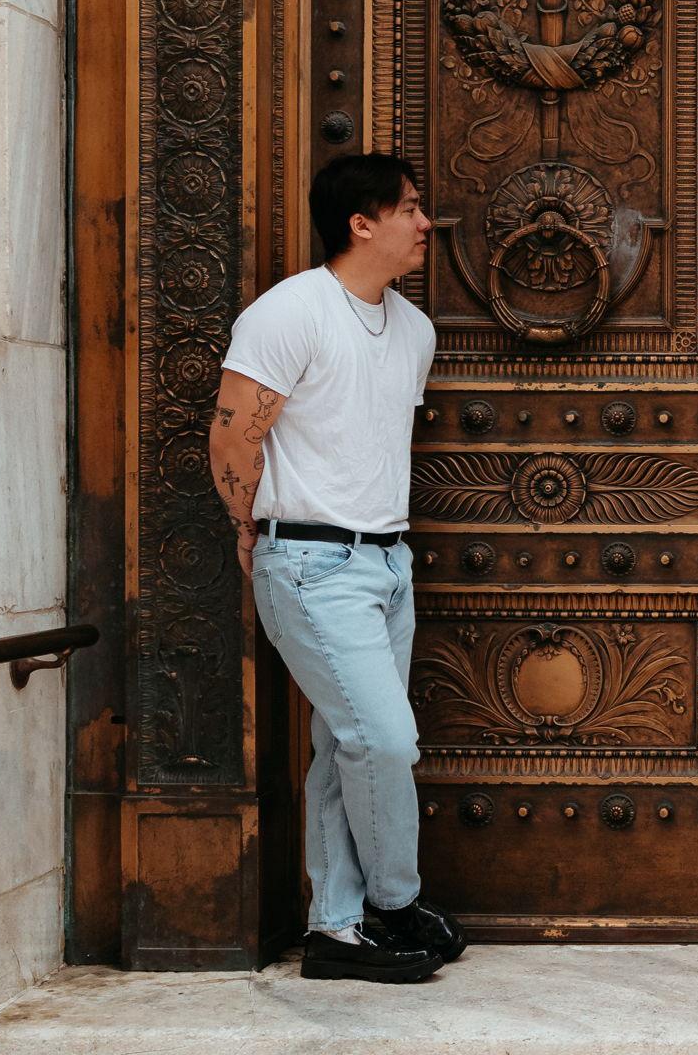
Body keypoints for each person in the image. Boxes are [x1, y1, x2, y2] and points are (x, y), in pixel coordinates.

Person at [207, 152, 468, 982]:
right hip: (311, 563)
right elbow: (231, 434)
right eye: (412, 209)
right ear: (362, 222)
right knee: (384, 740)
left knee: (343, 744)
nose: (426, 224)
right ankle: (394, 905)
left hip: (388, 566)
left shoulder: (414, 330)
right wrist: (250, 528)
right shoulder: (291, 313)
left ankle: (334, 930)